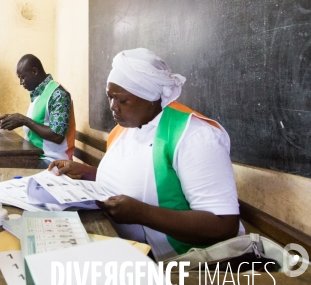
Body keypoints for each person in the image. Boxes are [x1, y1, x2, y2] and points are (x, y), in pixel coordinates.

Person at [48, 48, 243, 261]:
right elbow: (136, 180)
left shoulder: (195, 136)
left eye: (121, 100)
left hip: (178, 265)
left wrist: (143, 214)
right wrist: (87, 172)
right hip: (123, 246)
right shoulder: (125, 129)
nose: (113, 107)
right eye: (110, 97)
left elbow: (224, 225)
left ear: (149, 97)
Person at [0, 54, 75, 168]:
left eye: (22, 77)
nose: (21, 82)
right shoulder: (38, 94)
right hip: (37, 156)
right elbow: (37, 122)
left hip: (53, 161)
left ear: (34, 71)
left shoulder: (58, 94)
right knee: (0, 163)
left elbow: (57, 136)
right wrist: (14, 120)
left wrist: (24, 120)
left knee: (2, 166)